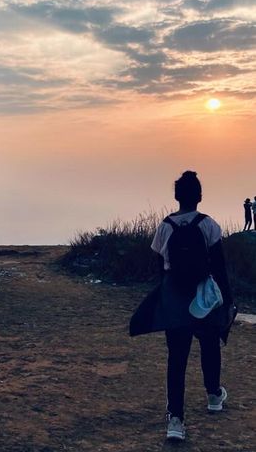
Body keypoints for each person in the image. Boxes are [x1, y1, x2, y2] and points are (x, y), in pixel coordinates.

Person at [130, 171, 233, 441]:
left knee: (177, 358)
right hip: (203, 297)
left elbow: (160, 270)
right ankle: (213, 395)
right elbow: (220, 267)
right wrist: (228, 301)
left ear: (177, 197)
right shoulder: (208, 225)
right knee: (210, 345)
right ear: (199, 197)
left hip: (175, 297)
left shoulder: (165, 226)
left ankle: (176, 420)